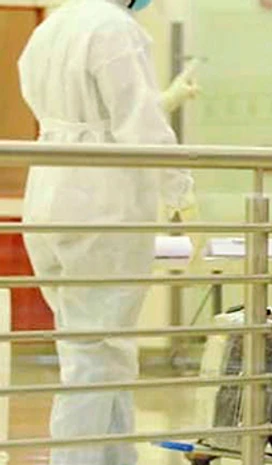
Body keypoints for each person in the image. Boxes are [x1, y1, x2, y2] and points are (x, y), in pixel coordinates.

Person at [17, 0, 198, 464]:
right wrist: (181, 191)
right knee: (95, 356)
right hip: (101, 202)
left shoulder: (54, 24)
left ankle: (116, 459)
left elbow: (87, 112)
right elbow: (140, 124)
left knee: (98, 347)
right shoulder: (115, 27)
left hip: (50, 194)